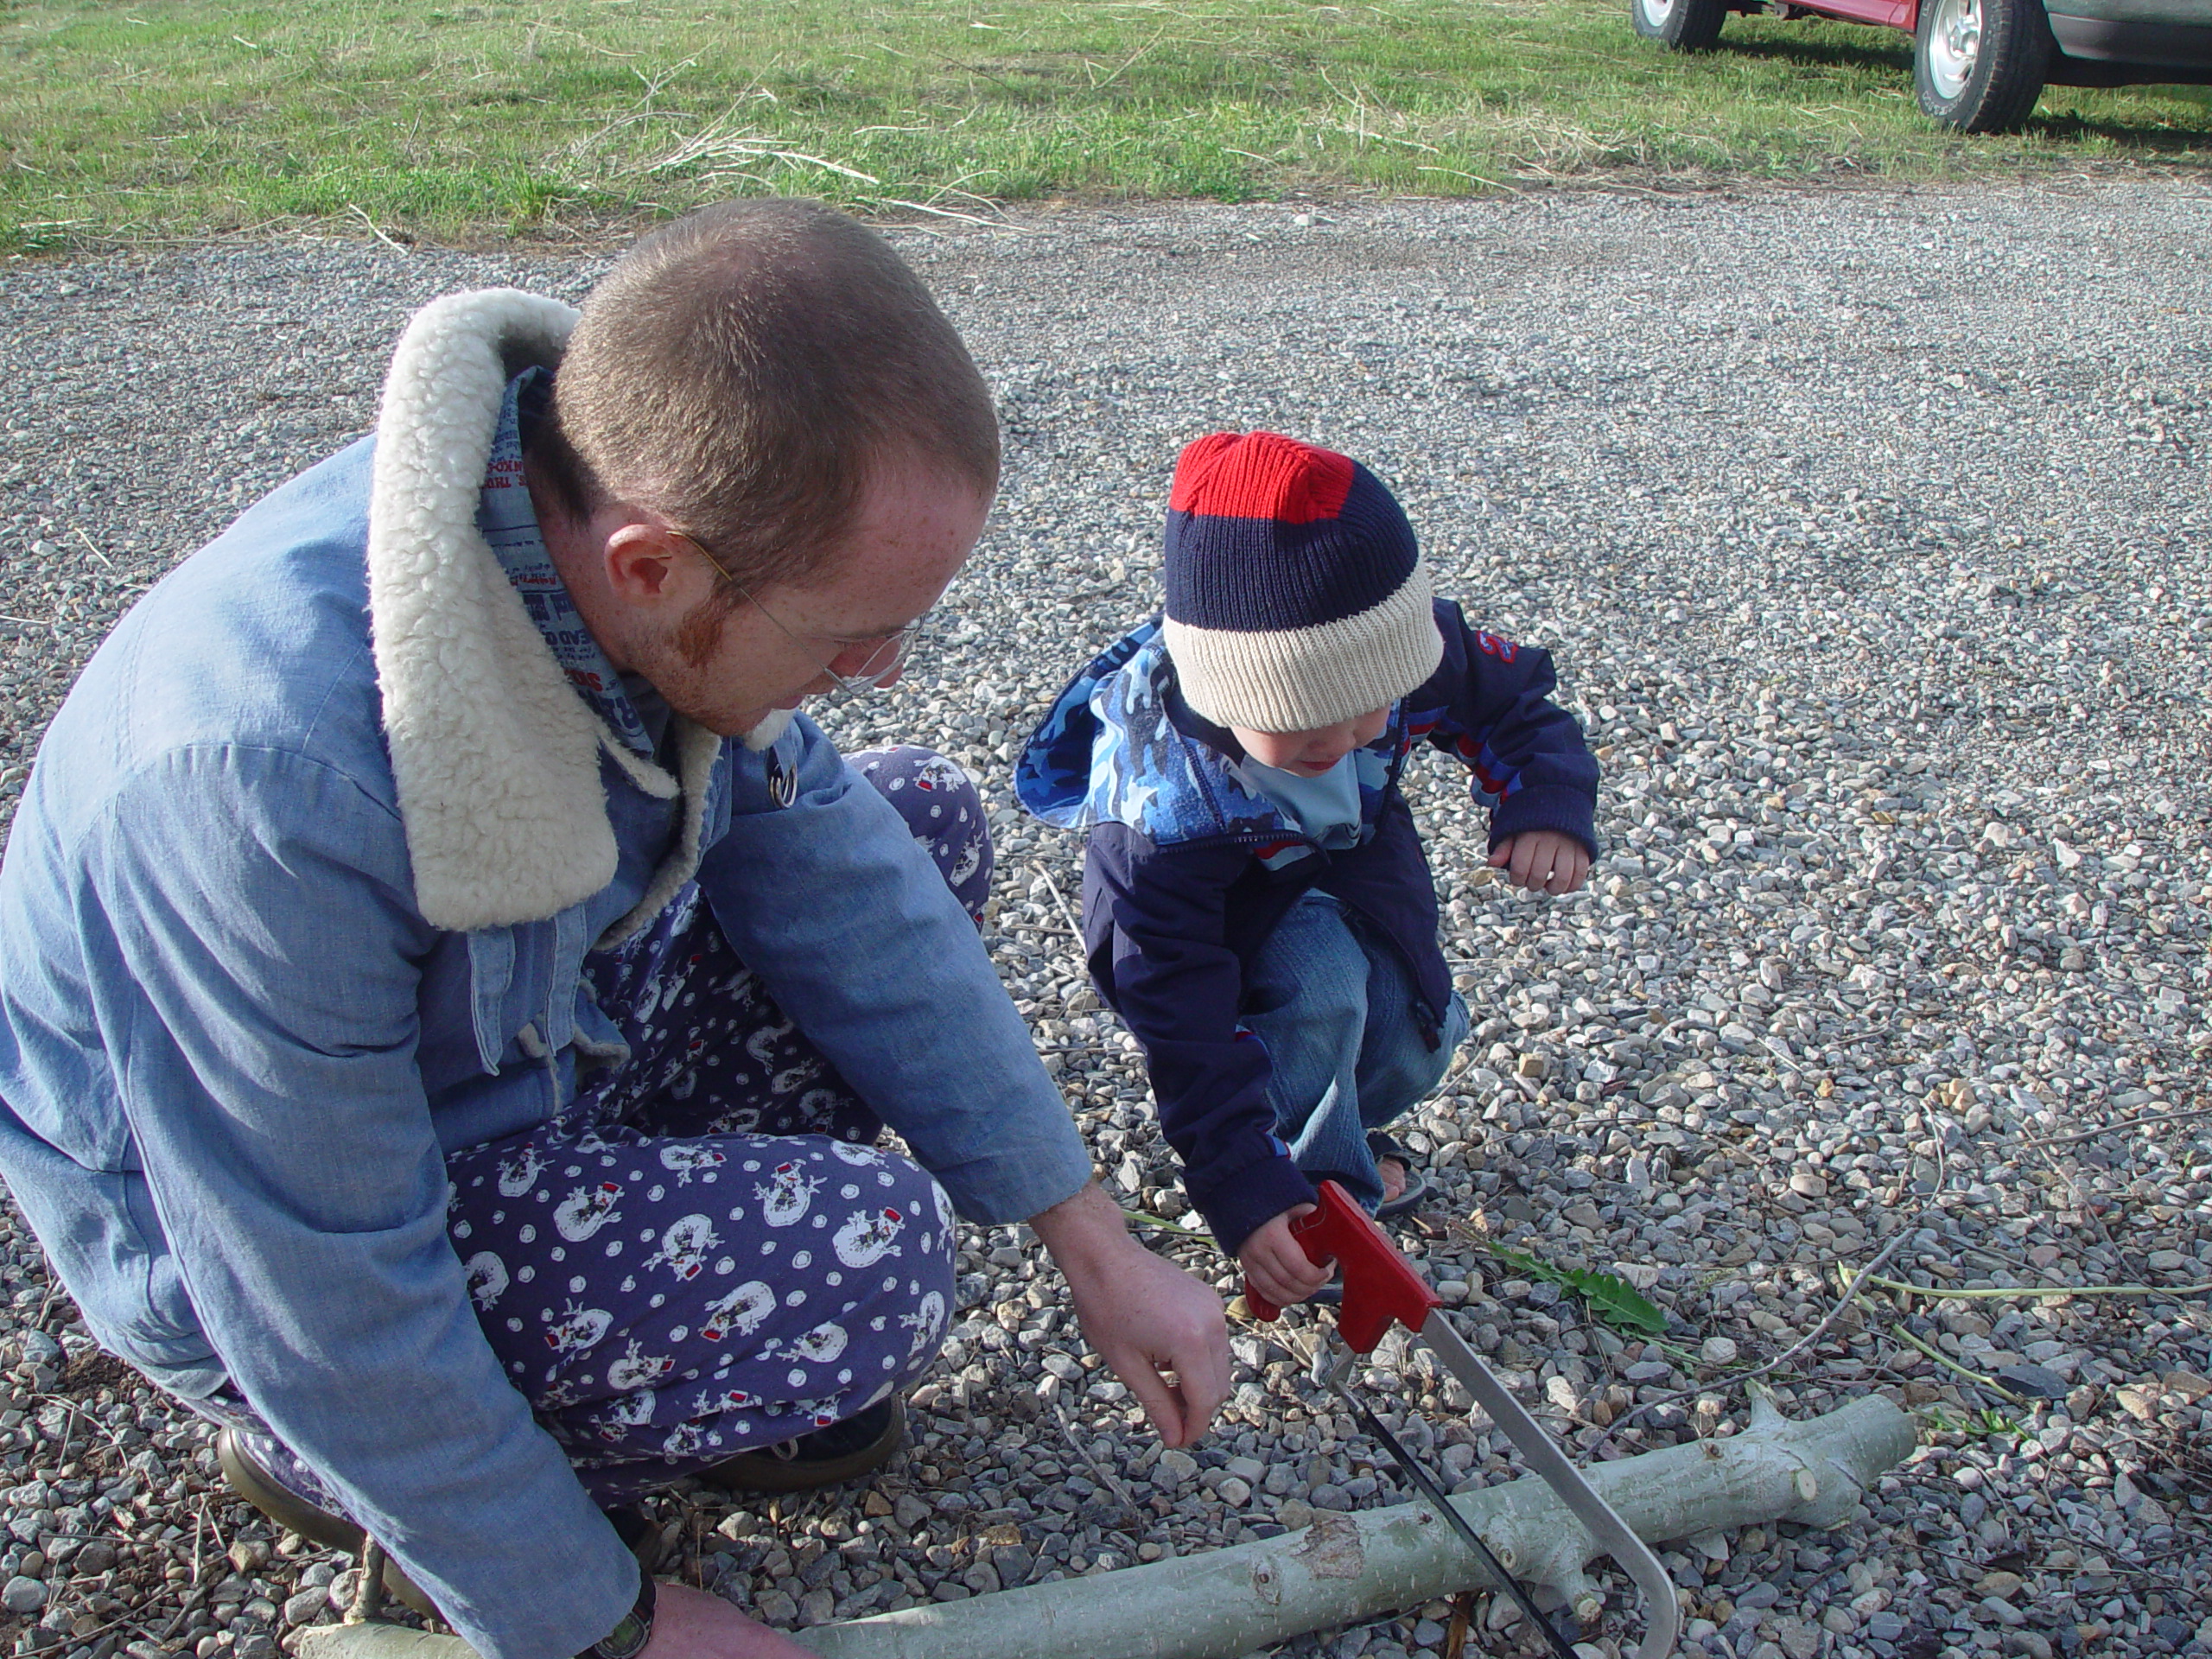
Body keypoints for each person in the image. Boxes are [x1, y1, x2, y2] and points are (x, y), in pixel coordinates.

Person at [0, 200, 1229, 1659]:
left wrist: (1083, 1227)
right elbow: (312, 1281)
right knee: (873, 1260)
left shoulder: (589, 519)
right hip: (252, 1253)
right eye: (850, 639)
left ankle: (627, 1378)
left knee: (916, 818)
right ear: (653, 568)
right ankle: (352, 1471)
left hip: (503, 1039)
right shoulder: (265, 780)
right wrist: (604, 1621)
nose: (883, 673)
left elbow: (835, 864)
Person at [1014, 430, 1599, 1312]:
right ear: (1223, 696)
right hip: (1230, 908)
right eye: (1307, 729)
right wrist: (1240, 1185)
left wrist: (1544, 804)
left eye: (1374, 713)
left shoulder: (1394, 654)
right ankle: (1313, 1201)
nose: (1352, 737)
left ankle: (1344, 1128)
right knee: (1319, 985)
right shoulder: (1156, 804)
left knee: (1416, 1026)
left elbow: (1514, 705)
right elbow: (1174, 1006)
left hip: (1353, 855)